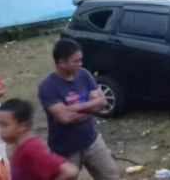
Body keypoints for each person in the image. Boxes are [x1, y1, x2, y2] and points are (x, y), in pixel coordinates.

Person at [37, 39, 119, 179]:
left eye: (81, 60)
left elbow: (102, 102)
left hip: (92, 140)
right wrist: (92, 107)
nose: (80, 64)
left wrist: (75, 108)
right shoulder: (47, 87)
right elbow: (65, 118)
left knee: (111, 176)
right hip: (65, 149)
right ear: (61, 62)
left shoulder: (84, 74)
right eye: (76, 61)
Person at [0, 99, 78, 180]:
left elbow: (70, 171)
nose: (1, 130)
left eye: (5, 125)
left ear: (22, 126)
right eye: (0, 125)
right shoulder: (19, 147)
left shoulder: (31, 150)